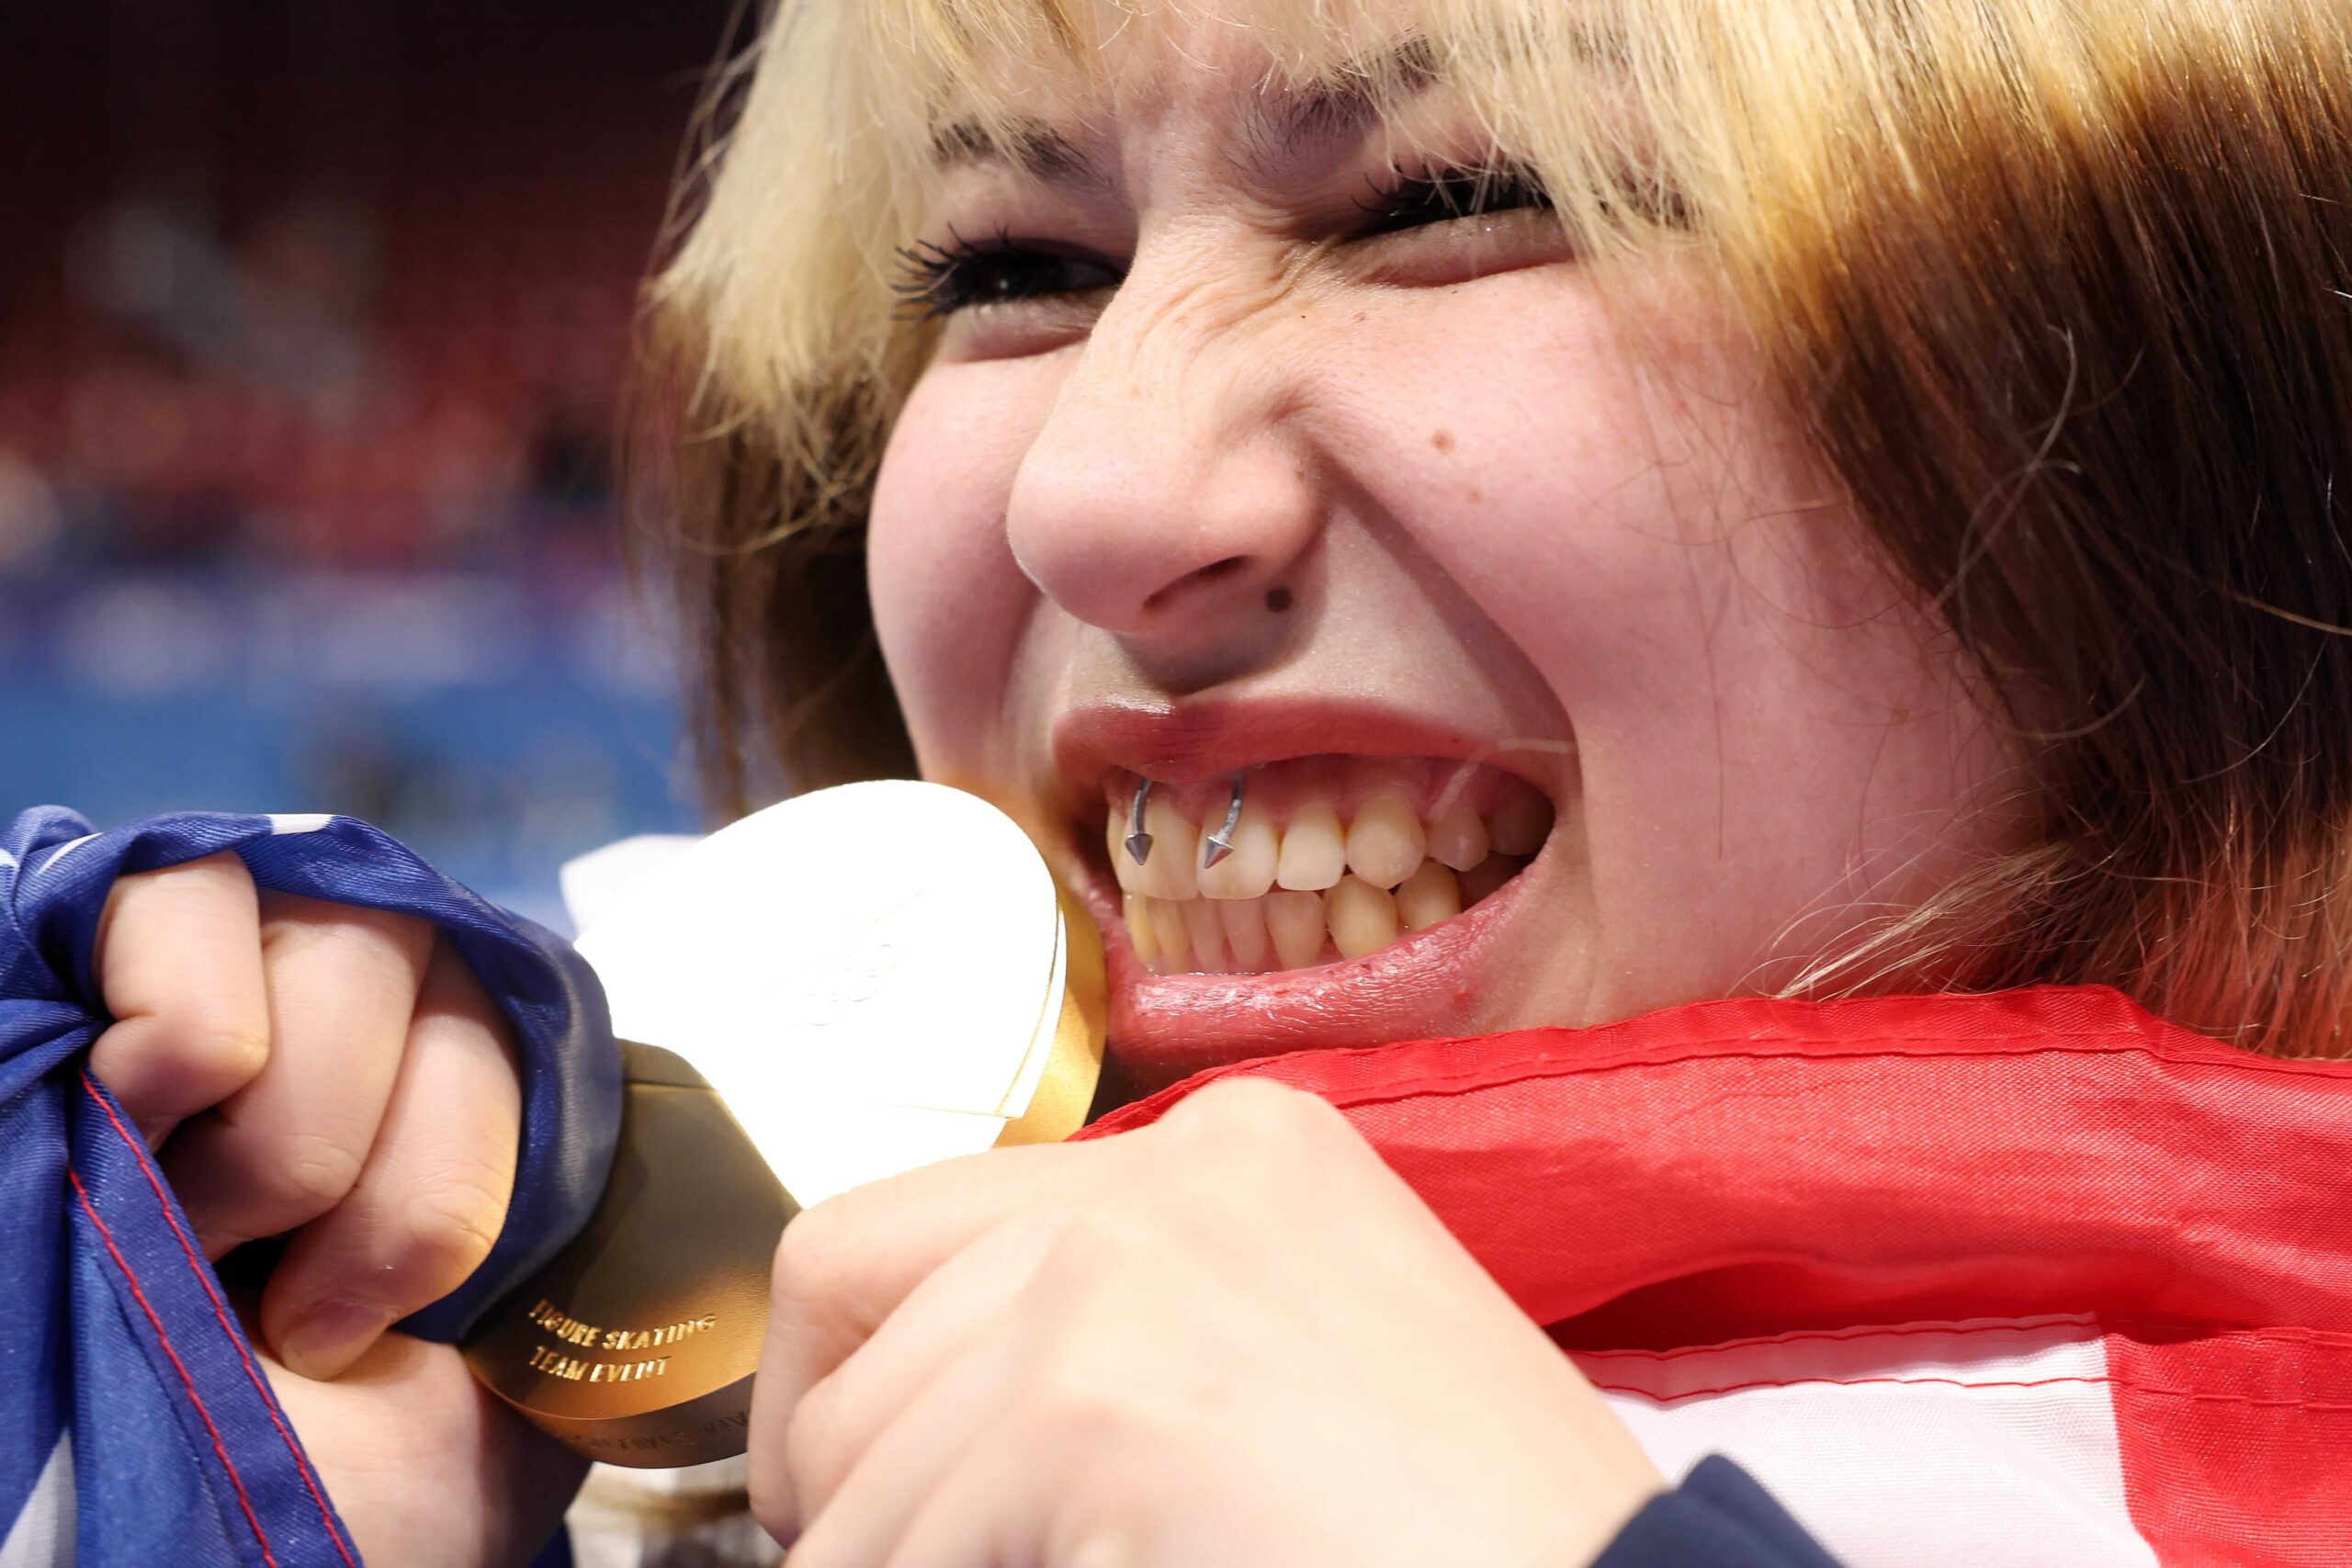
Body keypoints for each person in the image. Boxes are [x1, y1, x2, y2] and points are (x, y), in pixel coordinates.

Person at [10, 0, 2352, 1562]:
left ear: (2206, 399)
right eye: (1013, 263)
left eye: (1448, 205)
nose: (1090, 499)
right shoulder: (452, 1326)